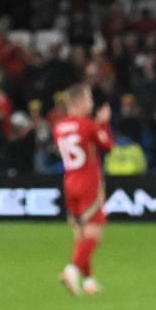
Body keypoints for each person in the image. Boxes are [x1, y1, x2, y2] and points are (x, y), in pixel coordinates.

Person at [51, 83, 111, 296]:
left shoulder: (58, 127)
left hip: (69, 182)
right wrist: (103, 123)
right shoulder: (88, 125)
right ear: (78, 102)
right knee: (94, 234)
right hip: (88, 182)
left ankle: (89, 281)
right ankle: (71, 270)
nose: (92, 103)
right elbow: (108, 145)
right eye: (88, 99)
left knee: (80, 234)